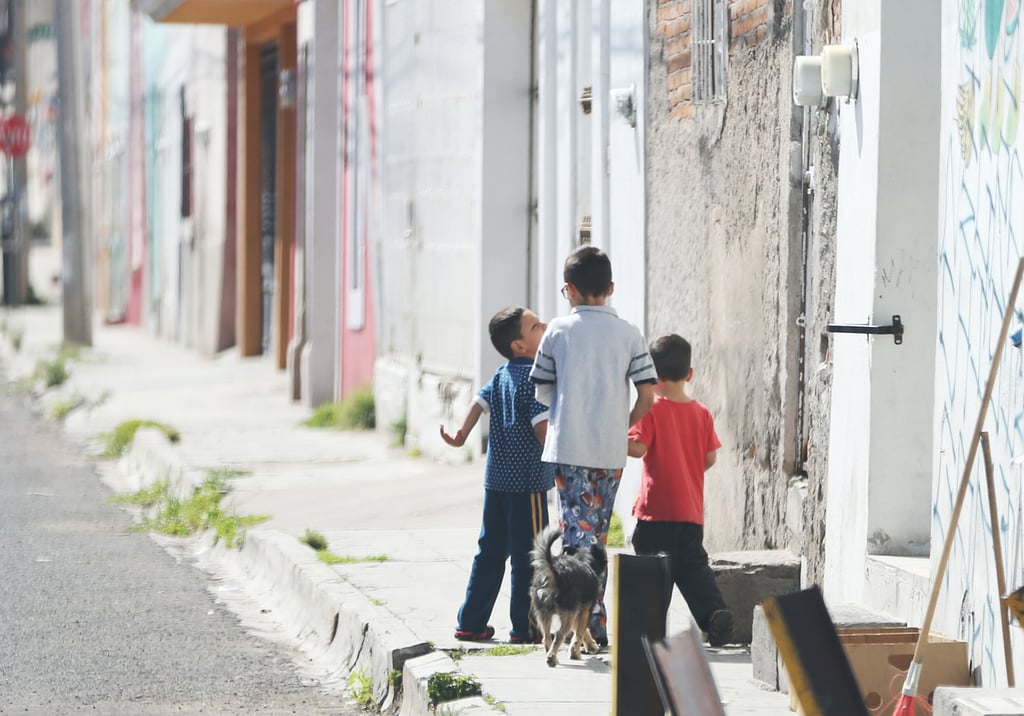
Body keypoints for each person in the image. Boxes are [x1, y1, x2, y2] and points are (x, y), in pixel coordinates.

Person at [529, 245, 658, 646]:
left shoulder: (558, 331)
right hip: (609, 450)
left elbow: (544, 390)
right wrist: (620, 424)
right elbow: (647, 396)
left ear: (569, 290)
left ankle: (582, 622)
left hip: (569, 446)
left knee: (575, 536)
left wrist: (572, 414)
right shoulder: (629, 333)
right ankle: (592, 622)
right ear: (611, 287)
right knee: (597, 538)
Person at [440, 306, 553, 644]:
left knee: (489, 551)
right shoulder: (535, 379)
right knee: (530, 556)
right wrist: (565, 456)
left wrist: (461, 434)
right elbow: (543, 431)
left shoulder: (502, 373)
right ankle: (528, 626)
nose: (544, 325)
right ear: (519, 345)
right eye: (535, 326)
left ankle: (471, 622)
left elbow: (478, 402)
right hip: (528, 484)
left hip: (497, 482)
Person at [627, 333, 734, 647]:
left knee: (653, 574)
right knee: (693, 570)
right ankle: (715, 613)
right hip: (690, 513)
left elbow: (637, 449)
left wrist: (611, 435)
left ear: (653, 377)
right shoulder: (701, 412)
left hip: (655, 511)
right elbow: (710, 457)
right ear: (690, 374)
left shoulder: (653, 410)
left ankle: (650, 631)